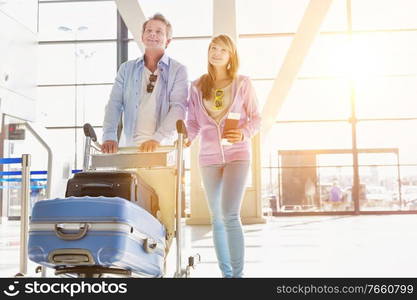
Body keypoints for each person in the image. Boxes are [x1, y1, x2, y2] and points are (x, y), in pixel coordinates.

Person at [185, 34, 261, 277]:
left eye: (223, 50)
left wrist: (244, 132)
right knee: (216, 218)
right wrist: (185, 139)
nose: (216, 53)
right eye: (213, 48)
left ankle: (237, 277)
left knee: (229, 214)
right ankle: (226, 275)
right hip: (208, 159)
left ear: (231, 56)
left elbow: (257, 118)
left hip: (237, 155)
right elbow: (194, 123)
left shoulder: (243, 84)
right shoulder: (197, 86)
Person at [101, 13, 188, 153]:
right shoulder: (126, 69)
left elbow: (178, 109)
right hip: (129, 148)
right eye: (149, 30)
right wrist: (109, 136)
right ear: (142, 37)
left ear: (168, 41)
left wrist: (157, 139)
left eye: (159, 32)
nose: (153, 34)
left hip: (162, 149)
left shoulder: (178, 70)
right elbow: (114, 104)